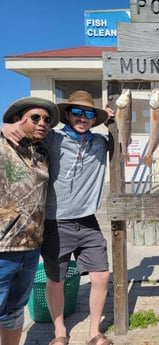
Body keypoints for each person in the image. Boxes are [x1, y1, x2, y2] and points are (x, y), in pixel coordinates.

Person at [2, 90, 114, 345]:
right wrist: (6, 127)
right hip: (55, 223)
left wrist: (113, 119)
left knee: (101, 276)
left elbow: (123, 137)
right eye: (77, 112)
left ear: (93, 119)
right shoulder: (53, 138)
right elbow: (26, 133)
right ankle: (60, 332)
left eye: (88, 113)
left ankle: (94, 332)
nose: (82, 118)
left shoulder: (100, 142)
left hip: (88, 222)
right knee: (56, 280)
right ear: (67, 115)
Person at [0, 96, 59, 345]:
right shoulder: (3, 146)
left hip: (30, 248)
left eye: (47, 119)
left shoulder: (42, 153)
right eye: (35, 117)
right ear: (17, 119)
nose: (42, 122)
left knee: (14, 312)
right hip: (3, 249)